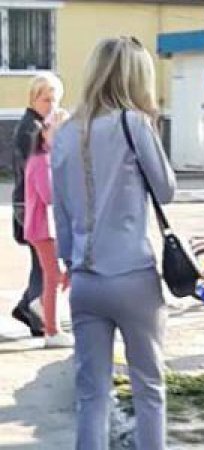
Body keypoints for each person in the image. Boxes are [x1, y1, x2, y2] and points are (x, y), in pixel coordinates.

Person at [51, 36, 176, 450]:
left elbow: (61, 215)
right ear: (136, 78)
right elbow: (166, 190)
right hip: (132, 275)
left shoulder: (66, 132)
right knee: (148, 387)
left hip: (85, 279)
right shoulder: (134, 125)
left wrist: (71, 263)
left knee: (92, 394)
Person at [11, 72, 64, 337]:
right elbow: (37, 173)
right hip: (30, 205)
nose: (51, 106)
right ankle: (37, 314)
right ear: (34, 98)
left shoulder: (38, 124)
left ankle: (29, 307)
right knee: (45, 264)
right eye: (46, 100)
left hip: (30, 204)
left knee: (42, 263)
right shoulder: (32, 129)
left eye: (55, 100)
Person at [24, 108, 73, 348]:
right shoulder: (42, 160)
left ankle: (42, 304)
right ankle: (52, 331)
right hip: (43, 228)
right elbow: (49, 195)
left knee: (63, 274)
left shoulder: (49, 157)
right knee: (54, 276)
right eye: (58, 132)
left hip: (48, 227)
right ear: (45, 132)